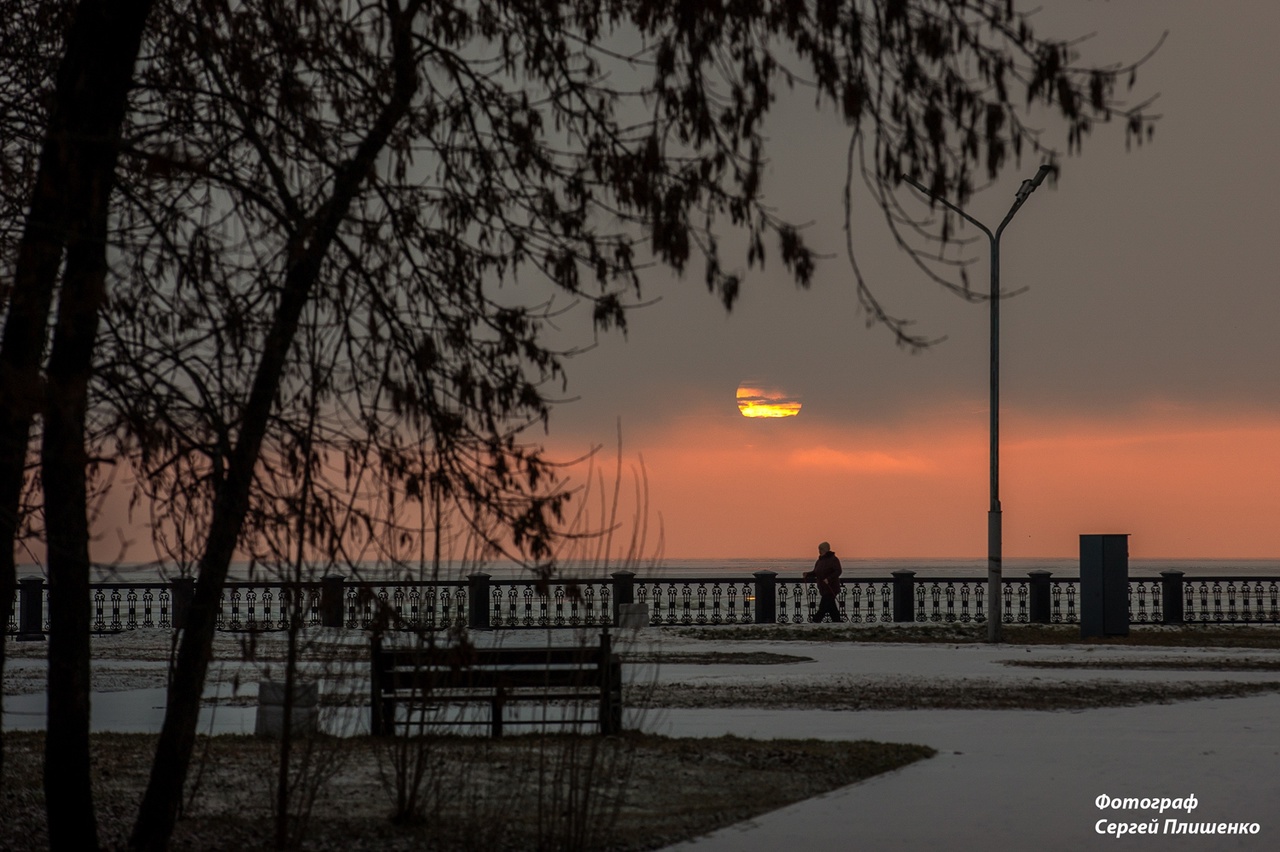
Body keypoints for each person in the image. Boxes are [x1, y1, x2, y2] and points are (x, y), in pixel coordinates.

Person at [804, 541, 843, 623]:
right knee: (832, 608)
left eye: (821, 549)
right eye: (819, 549)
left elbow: (838, 571)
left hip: (831, 587)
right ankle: (837, 622)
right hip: (823, 588)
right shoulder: (819, 561)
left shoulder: (833, 559)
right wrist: (808, 574)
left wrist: (829, 579)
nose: (819, 551)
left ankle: (815, 621)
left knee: (823, 607)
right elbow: (816, 572)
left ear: (826, 550)